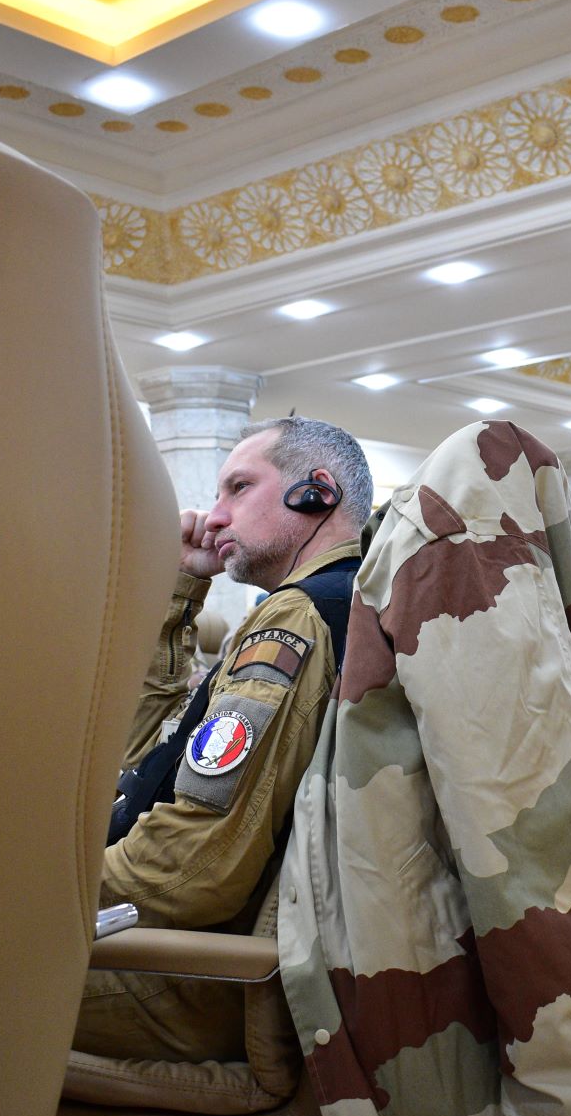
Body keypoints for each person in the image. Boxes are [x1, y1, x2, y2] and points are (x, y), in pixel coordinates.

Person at [76, 415, 370, 1065]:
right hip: (166, 938)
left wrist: (42, 889)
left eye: (238, 488)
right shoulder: (333, 603)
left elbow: (191, 869)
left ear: (316, 492)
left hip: (188, 976)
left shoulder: (296, 619)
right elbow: (130, 759)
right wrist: (186, 582)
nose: (213, 515)